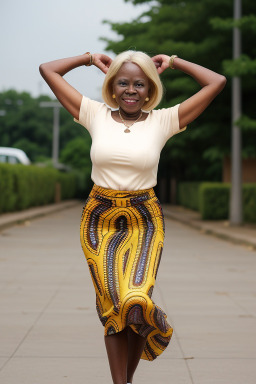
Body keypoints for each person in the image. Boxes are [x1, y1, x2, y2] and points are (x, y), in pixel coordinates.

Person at [39, 50, 226, 384]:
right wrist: (88, 58)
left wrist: (173, 62)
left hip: (144, 219)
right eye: (122, 82)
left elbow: (217, 81)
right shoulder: (93, 113)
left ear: (150, 89)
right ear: (111, 86)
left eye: (139, 84)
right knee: (114, 308)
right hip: (99, 219)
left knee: (136, 302)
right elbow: (47, 70)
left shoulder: (164, 120)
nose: (130, 90)